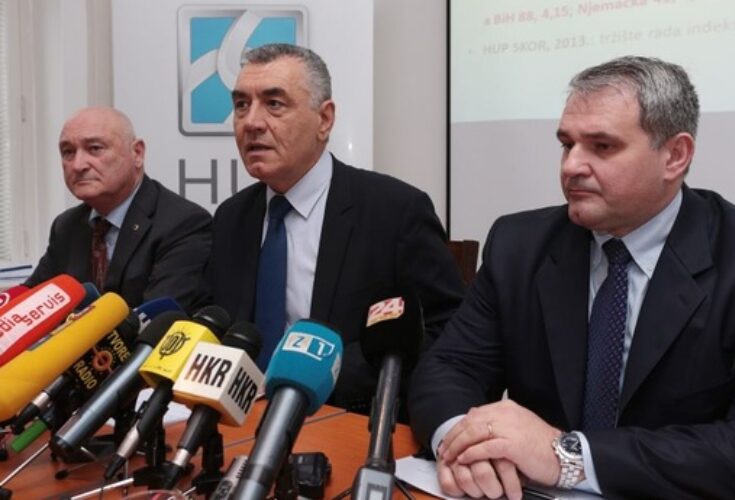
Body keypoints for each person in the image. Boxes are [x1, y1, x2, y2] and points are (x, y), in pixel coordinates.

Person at [408, 56, 735, 499]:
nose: (571, 166)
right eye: (566, 144)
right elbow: (450, 367)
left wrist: (567, 457)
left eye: (602, 146)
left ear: (675, 156)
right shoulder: (520, 243)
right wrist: (464, 441)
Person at [205, 44, 464, 413]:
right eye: (241, 105)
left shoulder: (394, 211)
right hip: (239, 420)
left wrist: (323, 380)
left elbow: (447, 330)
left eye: (274, 104)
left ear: (324, 120)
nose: (251, 122)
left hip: (343, 416)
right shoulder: (232, 218)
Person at [26, 107, 211, 313]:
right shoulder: (67, 226)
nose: (78, 165)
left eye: (94, 148)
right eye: (68, 152)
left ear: (137, 153)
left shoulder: (183, 224)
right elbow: (29, 304)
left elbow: (154, 320)